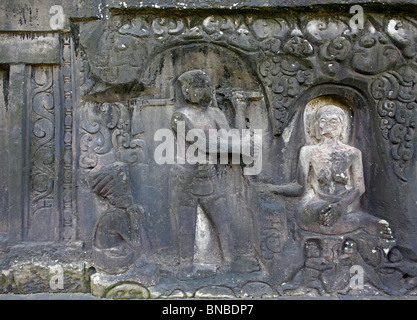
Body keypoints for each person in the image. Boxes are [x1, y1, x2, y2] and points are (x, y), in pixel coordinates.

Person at [169, 69, 252, 278]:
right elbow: (202, 142)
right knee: (186, 223)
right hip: (184, 176)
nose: (201, 91)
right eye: (195, 87)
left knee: (222, 218)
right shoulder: (180, 116)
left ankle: (230, 260)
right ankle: (185, 266)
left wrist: (239, 110)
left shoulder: (215, 114)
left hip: (208, 173)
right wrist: (237, 148)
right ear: (186, 91)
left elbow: (230, 139)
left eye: (205, 86)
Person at [268, 104, 393, 238]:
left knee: (331, 219)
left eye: (333, 121)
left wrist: (340, 206)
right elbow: (300, 187)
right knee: (312, 218)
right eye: (323, 120)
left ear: (342, 126)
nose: (327, 124)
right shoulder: (308, 152)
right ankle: (362, 222)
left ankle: (360, 220)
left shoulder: (353, 153)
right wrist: (273, 189)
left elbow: (359, 188)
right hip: (318, 203)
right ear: (317, 125)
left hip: (346, 204)